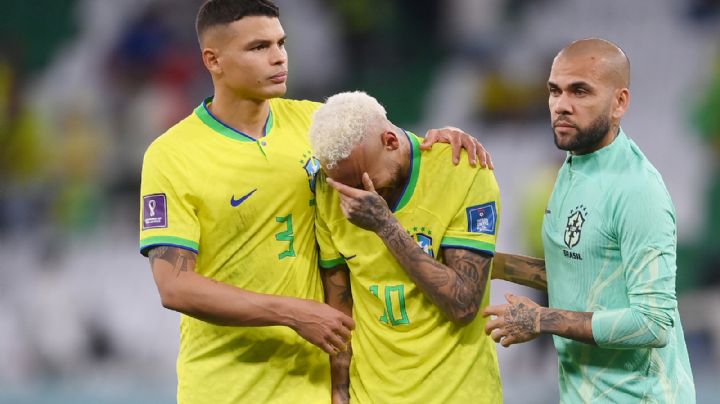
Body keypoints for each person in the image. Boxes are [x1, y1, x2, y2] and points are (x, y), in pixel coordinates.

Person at [138, 1, 491, 403]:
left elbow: (387, 145)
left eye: (281, 43)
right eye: (258, 48)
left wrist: (443, 137)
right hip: (227, 386)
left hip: (315, 385)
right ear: (213, 60)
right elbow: (175, 287)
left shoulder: (314, 126)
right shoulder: (172, 155)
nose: (278, 58)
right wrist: (292, 312)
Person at [484, 38, 696, 403]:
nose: (562, 105)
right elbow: (581, 273)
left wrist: (542, 319)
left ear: (620, 103)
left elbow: (653, 323)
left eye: (580, 91)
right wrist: (492, 264)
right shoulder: (572, 167)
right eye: (555, 91)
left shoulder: (637, 190)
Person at [310, 91, 502, 403]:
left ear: (390, 141)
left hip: (457, 393)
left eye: (366, 182)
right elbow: (339, 302)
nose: (359, 198)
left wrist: (385, 226)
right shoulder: (329, 189)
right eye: (349, 188)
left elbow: (463, 304)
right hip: (371, 395)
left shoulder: (461, 170)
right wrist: (340, 389)